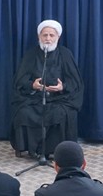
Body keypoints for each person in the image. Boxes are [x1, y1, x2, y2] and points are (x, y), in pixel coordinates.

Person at [11, 19, 84, 159]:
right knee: (24, 112)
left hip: (60, 99)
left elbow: (75, 82)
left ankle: (55, 150)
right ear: (39, 36)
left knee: (60, 114)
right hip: (34, 98)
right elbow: (19, 80)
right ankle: (28, 148)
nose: (48, 39)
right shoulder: (31, 54)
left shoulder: (65, 54)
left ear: (58, 37)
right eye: (45, 35)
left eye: (51, 35)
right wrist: (32, 85)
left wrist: (62, 87)